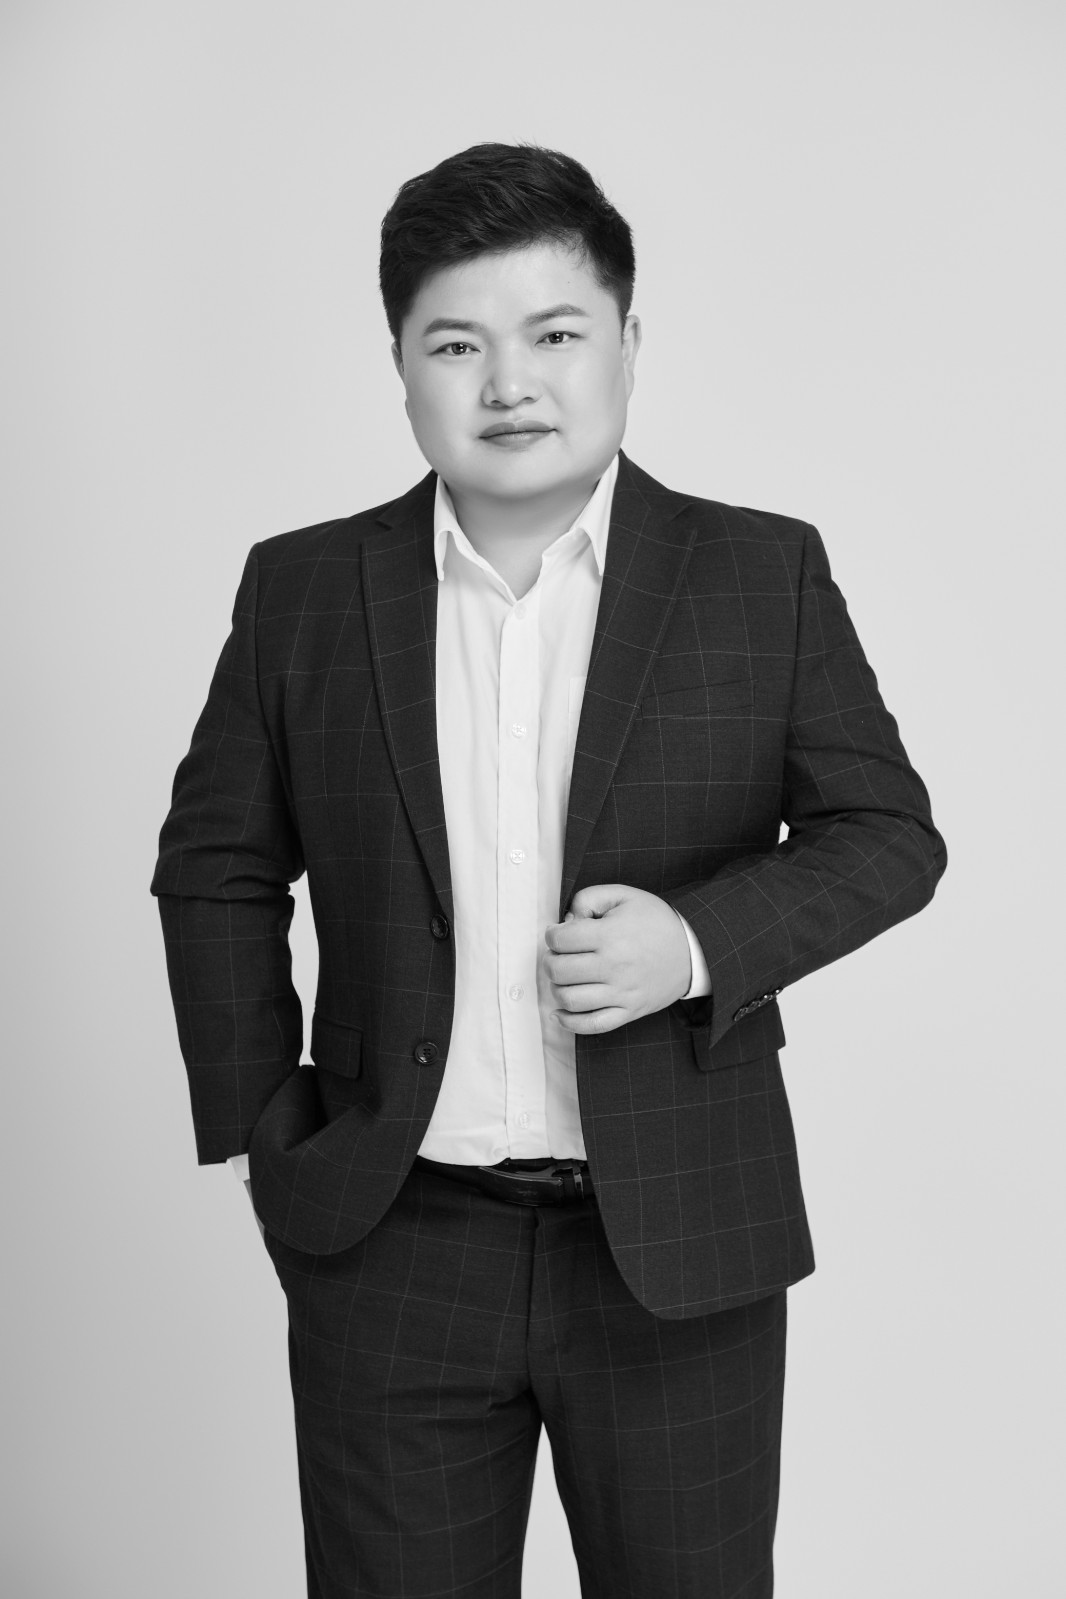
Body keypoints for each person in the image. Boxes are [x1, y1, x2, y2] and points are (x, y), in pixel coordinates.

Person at [151, 142, 946, 1598]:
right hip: (393, 1238)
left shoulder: (757, 575)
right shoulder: (303, 589)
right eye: (456, 344)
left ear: (629, 343)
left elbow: (889, 835)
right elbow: (213, 865)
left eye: (555, 334)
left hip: (680, 1243)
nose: (509, 383)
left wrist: (692, 945)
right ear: (401, 368)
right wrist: (270, 1134)